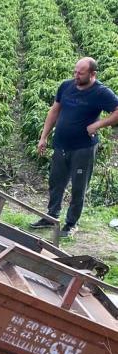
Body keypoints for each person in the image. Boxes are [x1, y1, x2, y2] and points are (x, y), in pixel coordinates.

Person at [32, 57, 118, 237]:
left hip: (83, 148)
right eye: (75, 72)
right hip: (61, 144)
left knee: (79, 187)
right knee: (56, 182)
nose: (76, 76)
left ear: (93, 74)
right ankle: (51, 216)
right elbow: (54, 110)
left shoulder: (101, 92)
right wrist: (44, 136)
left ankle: (71, 224)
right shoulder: (66, 86)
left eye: (81, 73)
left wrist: (98, 125)